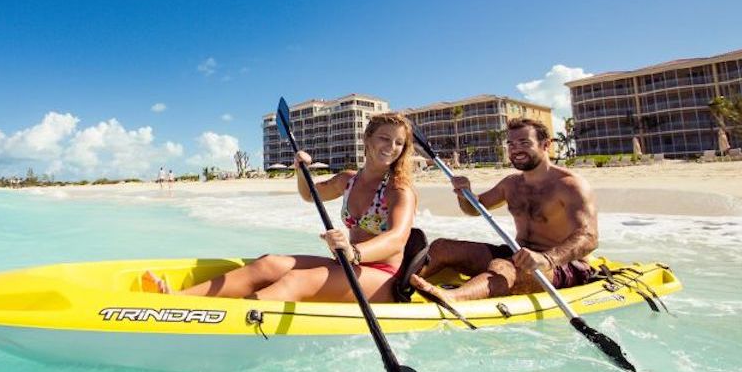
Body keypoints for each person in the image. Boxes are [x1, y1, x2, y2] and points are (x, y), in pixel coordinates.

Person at [143, 113, 418, 302]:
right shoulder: (348, 180)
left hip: (382, 278)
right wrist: (301, 172)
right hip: (348, 264)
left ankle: (234, 319)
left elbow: (397, 239)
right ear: (368, 139)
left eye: (398, 143)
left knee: (295, 281)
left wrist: (354, 251)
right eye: (384, 138)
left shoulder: (398, 189)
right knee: (268, 264)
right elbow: (310, 196)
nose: (391, 147)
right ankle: (178, 300)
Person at [409, 117, 598, 303]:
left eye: (524, 142)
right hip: (518, 254)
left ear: (545, 144)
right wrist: (464, 194)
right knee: (443, 247)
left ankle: (452, 298)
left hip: (561, 265)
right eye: (511, 144)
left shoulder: (570, 185)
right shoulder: (511, 184)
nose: (516, 149)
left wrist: (546, 259)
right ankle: (396, 285)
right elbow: (474, 209)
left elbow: (589, 237)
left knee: (502, 266)